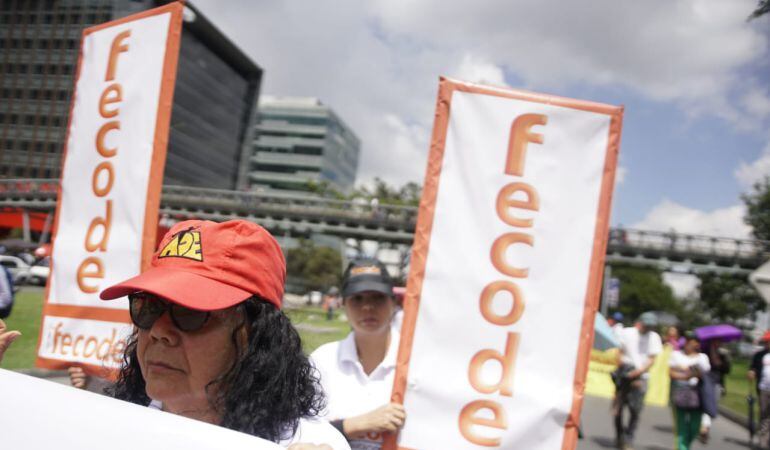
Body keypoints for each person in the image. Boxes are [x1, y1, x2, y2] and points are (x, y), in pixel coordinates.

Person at [12, 220, 349, 450]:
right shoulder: (112, 422)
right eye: (147, 307)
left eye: (190, 312)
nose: (159, 331)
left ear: (255, 335)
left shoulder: (305, 441)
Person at [311, 258, 406, 450]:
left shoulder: (414, 362)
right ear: (343, 304)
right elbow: (301, 430)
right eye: (357, 298)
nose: (367, 307)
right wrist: (356, 425)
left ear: (394, 302)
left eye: (377, 297)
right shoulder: (322, 360)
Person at [613, 312, 662, 450]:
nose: (648, 328)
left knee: (636, 410)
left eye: (651, 326)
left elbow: (652, 359)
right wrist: (621, 364)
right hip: (624, 373)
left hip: (641, 376)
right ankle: (619, 435)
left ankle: (629, 437)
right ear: (640, 322)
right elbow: (619, 351)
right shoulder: (627, 332)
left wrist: (638, 372)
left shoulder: (654, 337)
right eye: (647, 325)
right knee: (618, 408)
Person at [669, 333, 710, 450]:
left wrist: (686, 370)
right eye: (687, 341)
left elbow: (704, 373)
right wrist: (686, 376)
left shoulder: (702, 358)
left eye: (691, 342)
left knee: (694, 427)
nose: (688, 344)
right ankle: (682, 447)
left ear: (697, 344)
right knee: (681, 427)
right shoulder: (676, 355)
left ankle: (685, 445)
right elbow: (671, 372)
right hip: (679, 392)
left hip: (697, 394)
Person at [698, 338, 731, 442]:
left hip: (717, 383)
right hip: (705, 382)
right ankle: (704, 428)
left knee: (712, 405)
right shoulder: (704, 353)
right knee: (706, 404)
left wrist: (720, 362)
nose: (717, 343)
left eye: (718, 341)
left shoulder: (723, 354)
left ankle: (705, 426)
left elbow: (727, 370)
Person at [748, 331, 770, 449]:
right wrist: (752, 372)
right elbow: (753, 368)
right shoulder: (759, 355)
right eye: (766, 341)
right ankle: (763, 442)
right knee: (764, 414)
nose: (767, 343)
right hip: (763, 389)